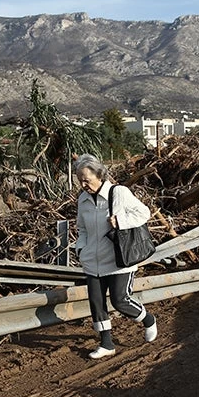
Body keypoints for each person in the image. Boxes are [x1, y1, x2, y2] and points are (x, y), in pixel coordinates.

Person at [74, 153, 158, 359]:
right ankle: (106, 343)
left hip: (119, 259)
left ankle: (148, 320)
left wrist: (120, 221)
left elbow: (143, 213)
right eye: (80, 180)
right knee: (96, 301)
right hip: (92, 260)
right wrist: (80, 249)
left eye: (87, 179)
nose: (84, 184)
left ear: (99, 174)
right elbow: (81, 229)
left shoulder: (118, 192)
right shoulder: (83, 200)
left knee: (120, 301)